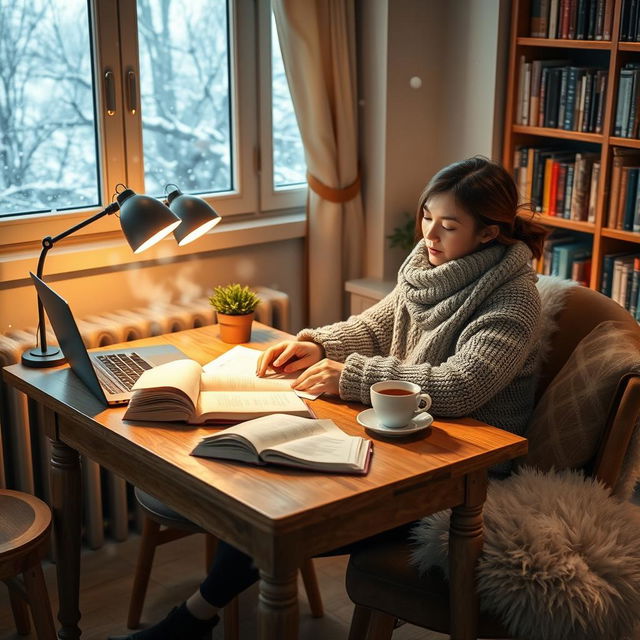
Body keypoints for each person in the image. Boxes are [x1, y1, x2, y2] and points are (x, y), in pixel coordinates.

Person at [109, 156, 547, 640]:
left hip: (460, 468)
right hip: (402, 438)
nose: (429, 234)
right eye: (426, 216)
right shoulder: (427, 269)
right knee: (268, 491)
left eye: (447, 225)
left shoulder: (514, 299)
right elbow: (375, 326)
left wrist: (352, 377)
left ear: (488, 234)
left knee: (284, 514)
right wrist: (317, 343)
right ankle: (194, 620)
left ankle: (189, 622)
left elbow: (462, 386)